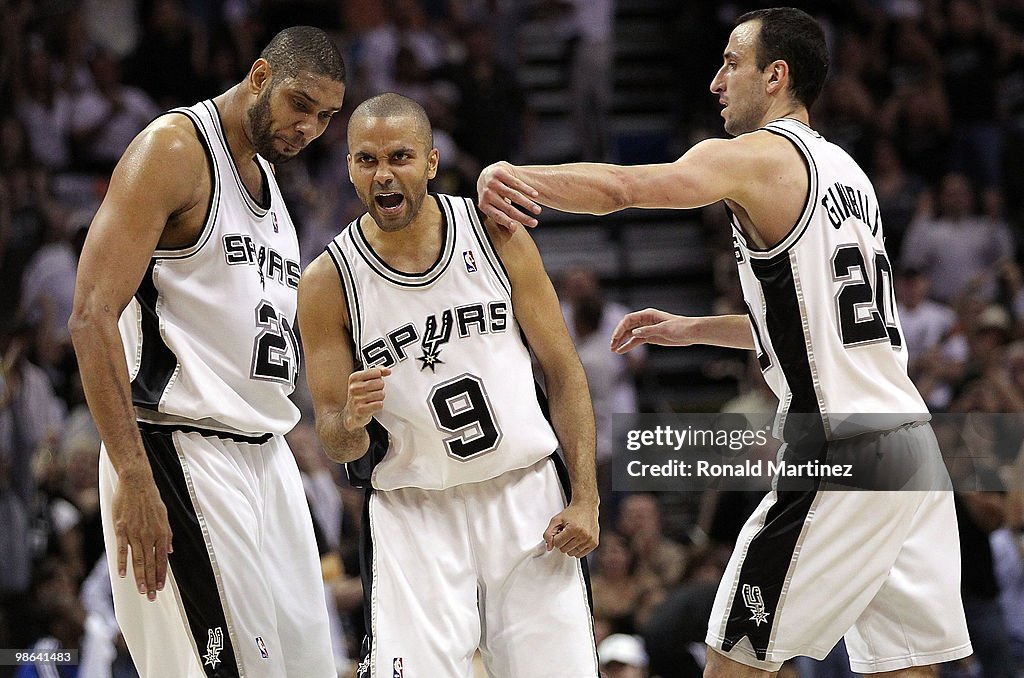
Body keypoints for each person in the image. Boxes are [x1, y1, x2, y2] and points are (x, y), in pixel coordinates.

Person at [477, 7, 972, 677]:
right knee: (909, 668)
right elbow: (824, 322)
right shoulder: (851, 176)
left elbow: (626, 187)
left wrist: (516, 175)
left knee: (734, 661)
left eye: (731, 63)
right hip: (911, 447)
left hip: (841, 448)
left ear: (776, 76)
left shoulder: (756, 158)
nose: (715, 81)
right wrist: (694, 329)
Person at [68, 26, 346, 678]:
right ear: (258, 76)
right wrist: (133, 473)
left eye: (326, 117)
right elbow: (90, 315)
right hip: (181, 449)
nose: (309, 127)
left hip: (266, 458)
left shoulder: (274, 187)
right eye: (299, 104)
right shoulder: (174, 149)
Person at [297, 92, 600, 677]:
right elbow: (336, 443)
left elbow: (563, 370)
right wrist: (351, 422)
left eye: (400, 157)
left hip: (525, 497)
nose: (383, 174)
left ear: (432, 162)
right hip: (414, 513)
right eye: (366, 160)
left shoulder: (494, 236)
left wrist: (585, 496)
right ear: (349, 169)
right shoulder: (328, 282)